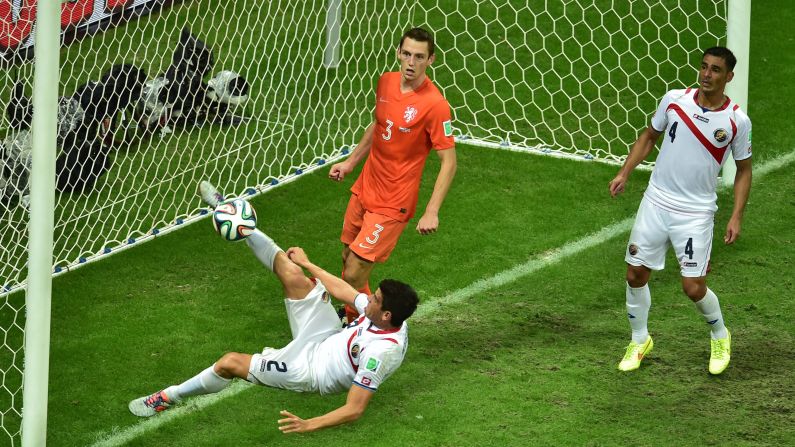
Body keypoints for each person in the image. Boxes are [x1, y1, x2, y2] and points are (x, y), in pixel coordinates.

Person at [128, 182, 419, 433]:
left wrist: (310, 424)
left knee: (229, 362)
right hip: (328, 335)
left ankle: (167, 397)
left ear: (386, 315)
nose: (368, 299)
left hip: (309, 369)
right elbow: (346, 292)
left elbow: (354, 409)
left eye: (375, 299)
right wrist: (307, 264)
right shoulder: (385, 315)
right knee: (293, 273)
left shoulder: (380, 354)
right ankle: (231, 212)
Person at [608, 47, 752, 375]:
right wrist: (624, 172)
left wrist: (736, 215)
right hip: (656, 201)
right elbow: (649, 136)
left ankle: (719, 334)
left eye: (715, 70)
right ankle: (639, 339)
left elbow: (744, 170)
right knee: (635, 274)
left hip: (695, 212)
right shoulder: (674, 99)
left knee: (693, 286)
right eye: (703, 67)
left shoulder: (736, 121)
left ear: (728, 77)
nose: (706, 74)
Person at [328, 27, 456, 323]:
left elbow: (448, 161)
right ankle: (354, 317)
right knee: (347, 259)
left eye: (420, 57)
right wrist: (350, 163)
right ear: (399, 52)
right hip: (366, 187)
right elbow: (378, 125)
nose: (411, 62)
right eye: (407, 54)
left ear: (431, 60)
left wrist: (431, 211)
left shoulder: (435, 105)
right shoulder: (385, 82)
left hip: (393, 202)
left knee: (355, 271)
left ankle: (353, 324)